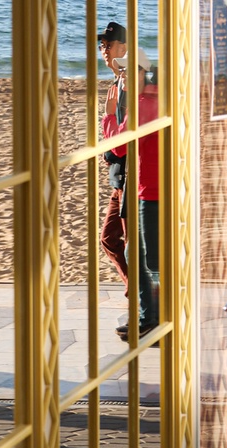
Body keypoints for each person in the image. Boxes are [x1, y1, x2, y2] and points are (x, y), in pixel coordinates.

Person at [102, 48, 160, 340]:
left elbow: (118, 147)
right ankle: (148, 316)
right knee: (140, 253)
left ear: (140, 73)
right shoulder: (153, 100)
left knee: (144, 257)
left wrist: (109, 116)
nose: (122, 76)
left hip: (149, 189)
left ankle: (152, 318)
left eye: (126, 71)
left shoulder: (142, 105)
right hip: (150, 186)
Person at [97, 22, 130, 296]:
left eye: (110, 44)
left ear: (125, 47)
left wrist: (108, 117)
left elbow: (121, 142)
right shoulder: (119, 81)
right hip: (120, 177)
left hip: (131, 177)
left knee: (129, 244)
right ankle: (136, 291)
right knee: (109, 239)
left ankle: (143, 302)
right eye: (102, 45)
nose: (104, 50)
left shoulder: (129, 83)